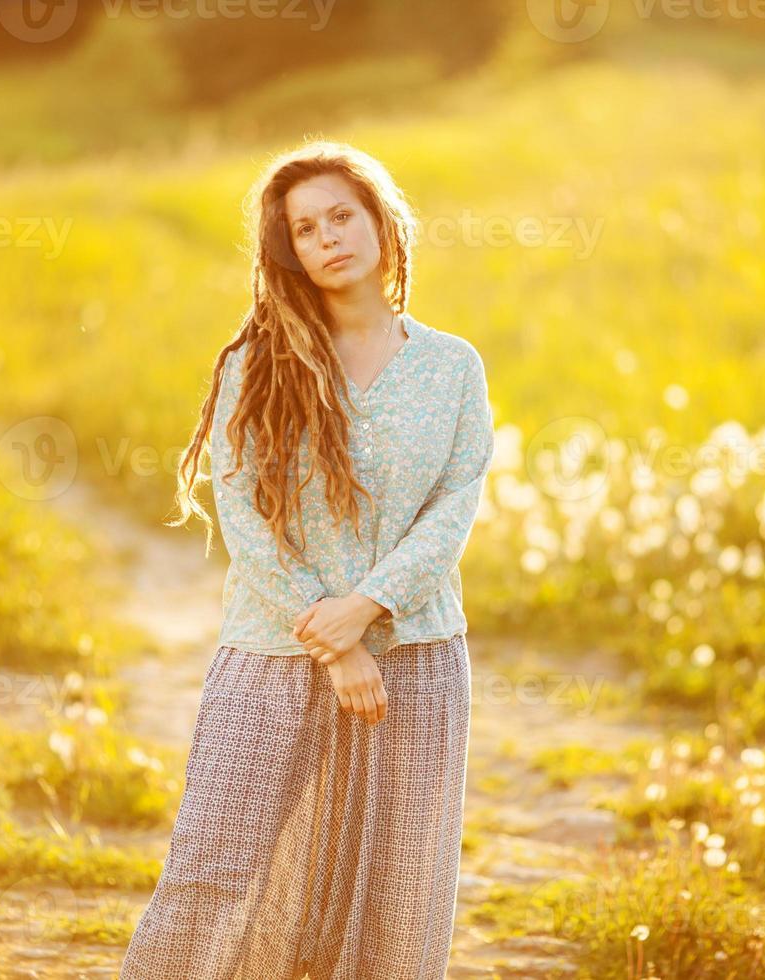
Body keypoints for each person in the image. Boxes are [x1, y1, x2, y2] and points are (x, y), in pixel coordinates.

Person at [116, 138, 495, 980]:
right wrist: (335, 641)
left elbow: (454, 506)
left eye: (341, 216)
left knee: (400, 893)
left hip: (418, 658)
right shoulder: (258, 365)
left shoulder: (453, 367)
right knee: (216, 867)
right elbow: (244, 513)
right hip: (273, 652)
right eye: (306, 227)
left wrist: (367, 612)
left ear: (380, 223)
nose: (327, 237)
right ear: (289, 251)